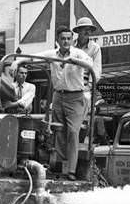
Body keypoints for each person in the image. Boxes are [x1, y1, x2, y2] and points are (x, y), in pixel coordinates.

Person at [37, 26, 92, 180]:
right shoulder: (53, 54)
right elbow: (35, 57)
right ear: (58, 40)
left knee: (73, 132)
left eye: (69, 38)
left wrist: (72, 60)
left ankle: (71, 171)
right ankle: (59, 168)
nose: (66, 41)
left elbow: (89, 65)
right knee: (58, 131)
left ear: (72, 39)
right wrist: (18, 61)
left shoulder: (78, 53)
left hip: (75, 97)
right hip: (58, 96)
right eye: (63, 38)